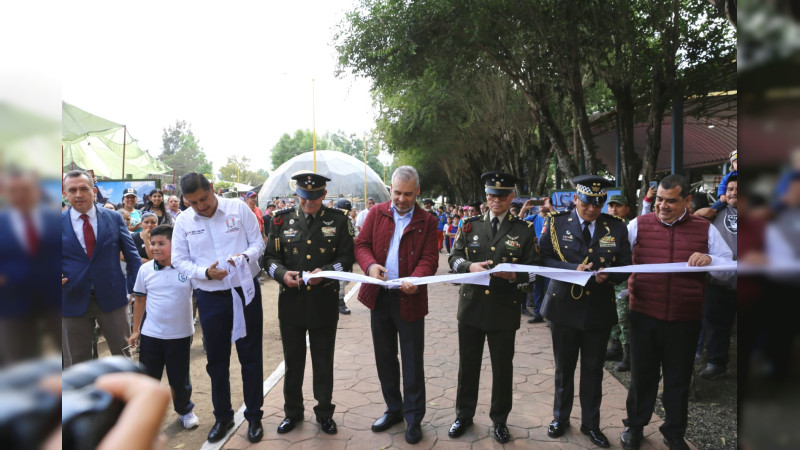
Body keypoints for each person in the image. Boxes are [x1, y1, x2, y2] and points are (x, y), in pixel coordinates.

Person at [620, 174, 733, 450]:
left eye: (671, 201)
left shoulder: (704, 229)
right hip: (644, 314)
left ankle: (674, 432)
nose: (663, 206)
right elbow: (615, 256)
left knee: (678, 379)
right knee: (642, 377)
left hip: (685, 318)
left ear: (687, 201)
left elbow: (728, 264)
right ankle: (634, 427)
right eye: (659, 199)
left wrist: (710, 259)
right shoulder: (638, 225)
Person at [171, 173, 266, 444]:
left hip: (244, 292)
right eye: (192, 202)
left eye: (204, 199)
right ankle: (223, 417)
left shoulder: (238, 209)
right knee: (217, 361)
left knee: (250, 356)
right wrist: (205, 273)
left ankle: (254, 416)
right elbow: (179, 259)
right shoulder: (184, 221)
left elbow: (258, 242)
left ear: (212, 189)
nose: (201, 206)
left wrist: (245, 257)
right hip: (211, 298)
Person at [446, 171, 540, 444]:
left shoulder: (524, 229)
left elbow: (534, 271)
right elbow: (453, 257)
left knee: (502, 368)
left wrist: (514, 276)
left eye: (501, 195)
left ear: (511, 197)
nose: (495, 200)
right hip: (472, 307)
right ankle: (463, 415)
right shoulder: (469, 224)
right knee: (468, 365)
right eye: (490, 195)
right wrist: (468, 266)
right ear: (485, 196)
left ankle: (500, 420)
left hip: (503, 308)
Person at [540, 175, 631, 449]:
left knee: (593, 370)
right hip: (564, 307)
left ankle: (591, 424)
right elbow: (544, 259)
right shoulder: (556, 223)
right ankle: (560, 418)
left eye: (599, 203)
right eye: (588, 202)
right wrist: (572, 270)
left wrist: (610, 276)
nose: (593, 209)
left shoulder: (615, 227)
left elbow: (625, 264)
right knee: (563, 369)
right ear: (576, 199)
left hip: (597, 309)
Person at [262, 173, 355, 435]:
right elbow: (269, 259)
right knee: (293, 362)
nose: (308, 203)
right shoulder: (281, 220)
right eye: (304, 198)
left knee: (323, 361)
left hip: (323, 303)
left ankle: (324, 412)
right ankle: (292, 412)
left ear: (323, 195)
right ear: (297, 196)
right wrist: (282, 274)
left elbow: (347, 259)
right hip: (291, 303)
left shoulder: (338, 220)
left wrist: (324, 272)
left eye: (314, 198)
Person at [354, 166, 439, 445]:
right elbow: (361, 245)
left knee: (412, 361)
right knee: (385, 358)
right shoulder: (376, 213)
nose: (401, 199)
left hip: (410, 299)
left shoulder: (427, 220)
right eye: (397, 193)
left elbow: (430, 259)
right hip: (380, 298)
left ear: (417, 192)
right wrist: (370, 266)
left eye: (408, 194)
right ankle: (394, 409)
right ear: (391, 190)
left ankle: (414, 419)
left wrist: (416, 278)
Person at [61, 170, 142, 367]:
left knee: (122, 357)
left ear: (94, 190)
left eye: (83, 189)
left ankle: (124, 397)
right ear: (64, 193)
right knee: (77, 361)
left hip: (113, 297)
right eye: (72, 190)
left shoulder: (113, 218)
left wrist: (133, 289)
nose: (78, 194)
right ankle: (82, 398)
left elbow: (133, 257)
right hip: (71, 299)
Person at [127, 224, 199, 430]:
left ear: (174, 244)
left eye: (161, 243)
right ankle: (146, 415)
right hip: (152, 335)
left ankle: (185, 410)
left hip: (181, 335)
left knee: (179, 378)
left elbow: (201, 292)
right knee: (149, 377)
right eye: (152, 243)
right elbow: (139, 300)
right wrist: (135, 330)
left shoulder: (187, 267)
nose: (155, 247)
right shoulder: (145, 270)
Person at [698, 176, 737, 379]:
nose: (734, 192)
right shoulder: (714, 213)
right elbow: (694, 219)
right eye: (730, 188)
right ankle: (716, 362)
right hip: (719, 280)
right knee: (715, 322)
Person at [604, 194, 633, 371]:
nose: (614, 209)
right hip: (609, 278)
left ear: (626, 209)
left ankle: (628, 356)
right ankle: (615, 348)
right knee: (612, 314)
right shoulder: (606, 227)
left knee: (624, 316)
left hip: (625, 277)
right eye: (611, 206)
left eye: (618, 206)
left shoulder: (631, 226)